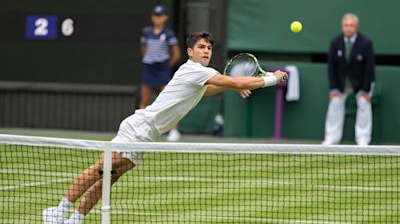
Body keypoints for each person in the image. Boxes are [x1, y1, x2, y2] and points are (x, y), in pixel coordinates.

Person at [43, 31, 288, 224]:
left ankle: (75, 219)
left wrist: (234, 86)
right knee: (100, 168)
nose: (206, 51)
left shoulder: (199, 77)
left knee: (109, 179)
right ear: (190, 52)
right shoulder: (193, 69)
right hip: (139, 126)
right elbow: (234, 80)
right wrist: (271, 79)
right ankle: (57, 211)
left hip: (149, 135)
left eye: (209, 48)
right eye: (201, 47)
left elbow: (210, 90)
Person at [322, 13, 375, 146]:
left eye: (351, 25)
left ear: (356, 27)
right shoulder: (335, 42)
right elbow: (331, 67)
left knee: (364, 104)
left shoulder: (366, 43)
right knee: (334, 104)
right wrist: (333, 88)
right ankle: (331, 137)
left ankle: (363, 139)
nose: (348, 28)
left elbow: (370, 68)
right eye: (346, 25)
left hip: (361, 83)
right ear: (342, 26)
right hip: (341, 83)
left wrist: (365, 90)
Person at [140, 5, 182, 142]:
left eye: (160, 16)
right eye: (155, 15)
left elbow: (176, 54)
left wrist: (166, 66)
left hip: (163, 69)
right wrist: (148, 59)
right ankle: (141, 129)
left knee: (168, 101)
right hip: (149, 68)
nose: (157, 18)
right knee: (145, 100)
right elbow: (144, 48)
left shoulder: (169, 34)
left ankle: (174, 131)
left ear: (165, 18)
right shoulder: (146, 32)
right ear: (152, 17)